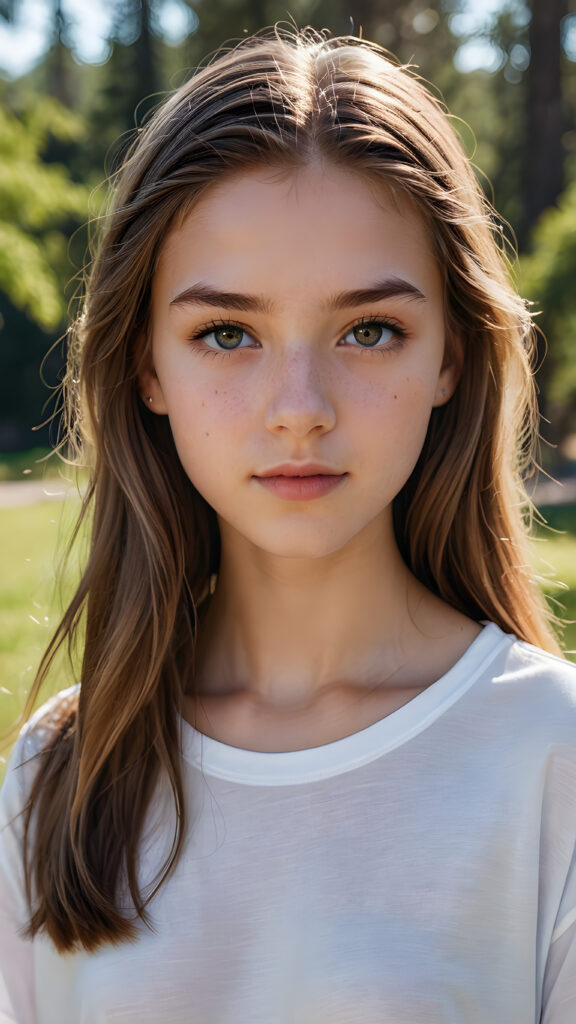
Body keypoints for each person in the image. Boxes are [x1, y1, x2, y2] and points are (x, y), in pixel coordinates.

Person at [1, 26, 575, 1024]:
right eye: (227, 332)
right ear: (147, 367)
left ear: (450, 355)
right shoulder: (58, 772)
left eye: (369, 330)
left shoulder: (551, 759)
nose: (299, 405)